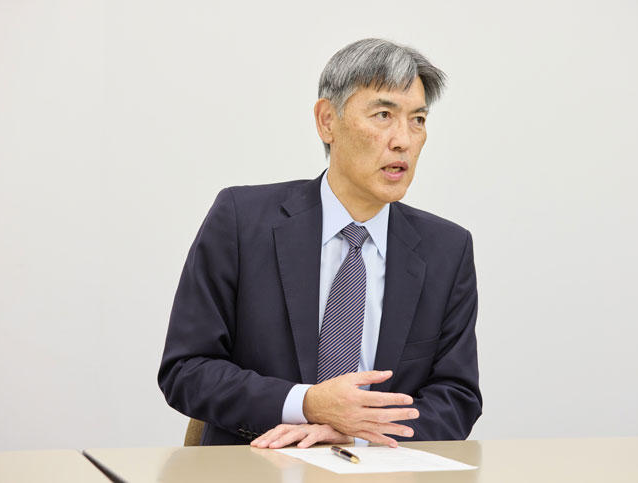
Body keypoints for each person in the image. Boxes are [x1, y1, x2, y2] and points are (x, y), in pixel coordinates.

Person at [158, 38, 482, 448]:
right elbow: (186, 370)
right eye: (383, 115)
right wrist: (307, 404)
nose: (403, 139)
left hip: (378, 470)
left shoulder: (446, 250)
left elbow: (456, 397)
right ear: (327, 120)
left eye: (417, 120)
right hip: (255, 465)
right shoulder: (241, 221)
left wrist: (356, 433)